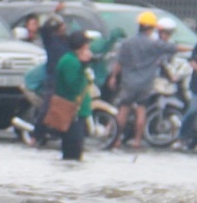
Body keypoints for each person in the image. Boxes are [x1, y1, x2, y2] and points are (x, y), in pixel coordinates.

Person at [108, 10, 167, 151]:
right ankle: (137, 140)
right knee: (141, 111)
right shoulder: (154, 44)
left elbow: (119, 62)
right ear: (151, 28)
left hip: (129, 82)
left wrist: (113, 77)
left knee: (123, 110)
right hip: (145, 83)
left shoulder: (128, 43)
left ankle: (116, 140)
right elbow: (166, 56)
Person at [53, 29, 95, 162]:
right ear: (82, 46)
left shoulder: (73, 60)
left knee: (75, 151)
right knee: (73, 153)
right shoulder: (70, 62)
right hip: (72, 112)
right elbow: (74, 86)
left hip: (78, 112)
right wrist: (83, 65)